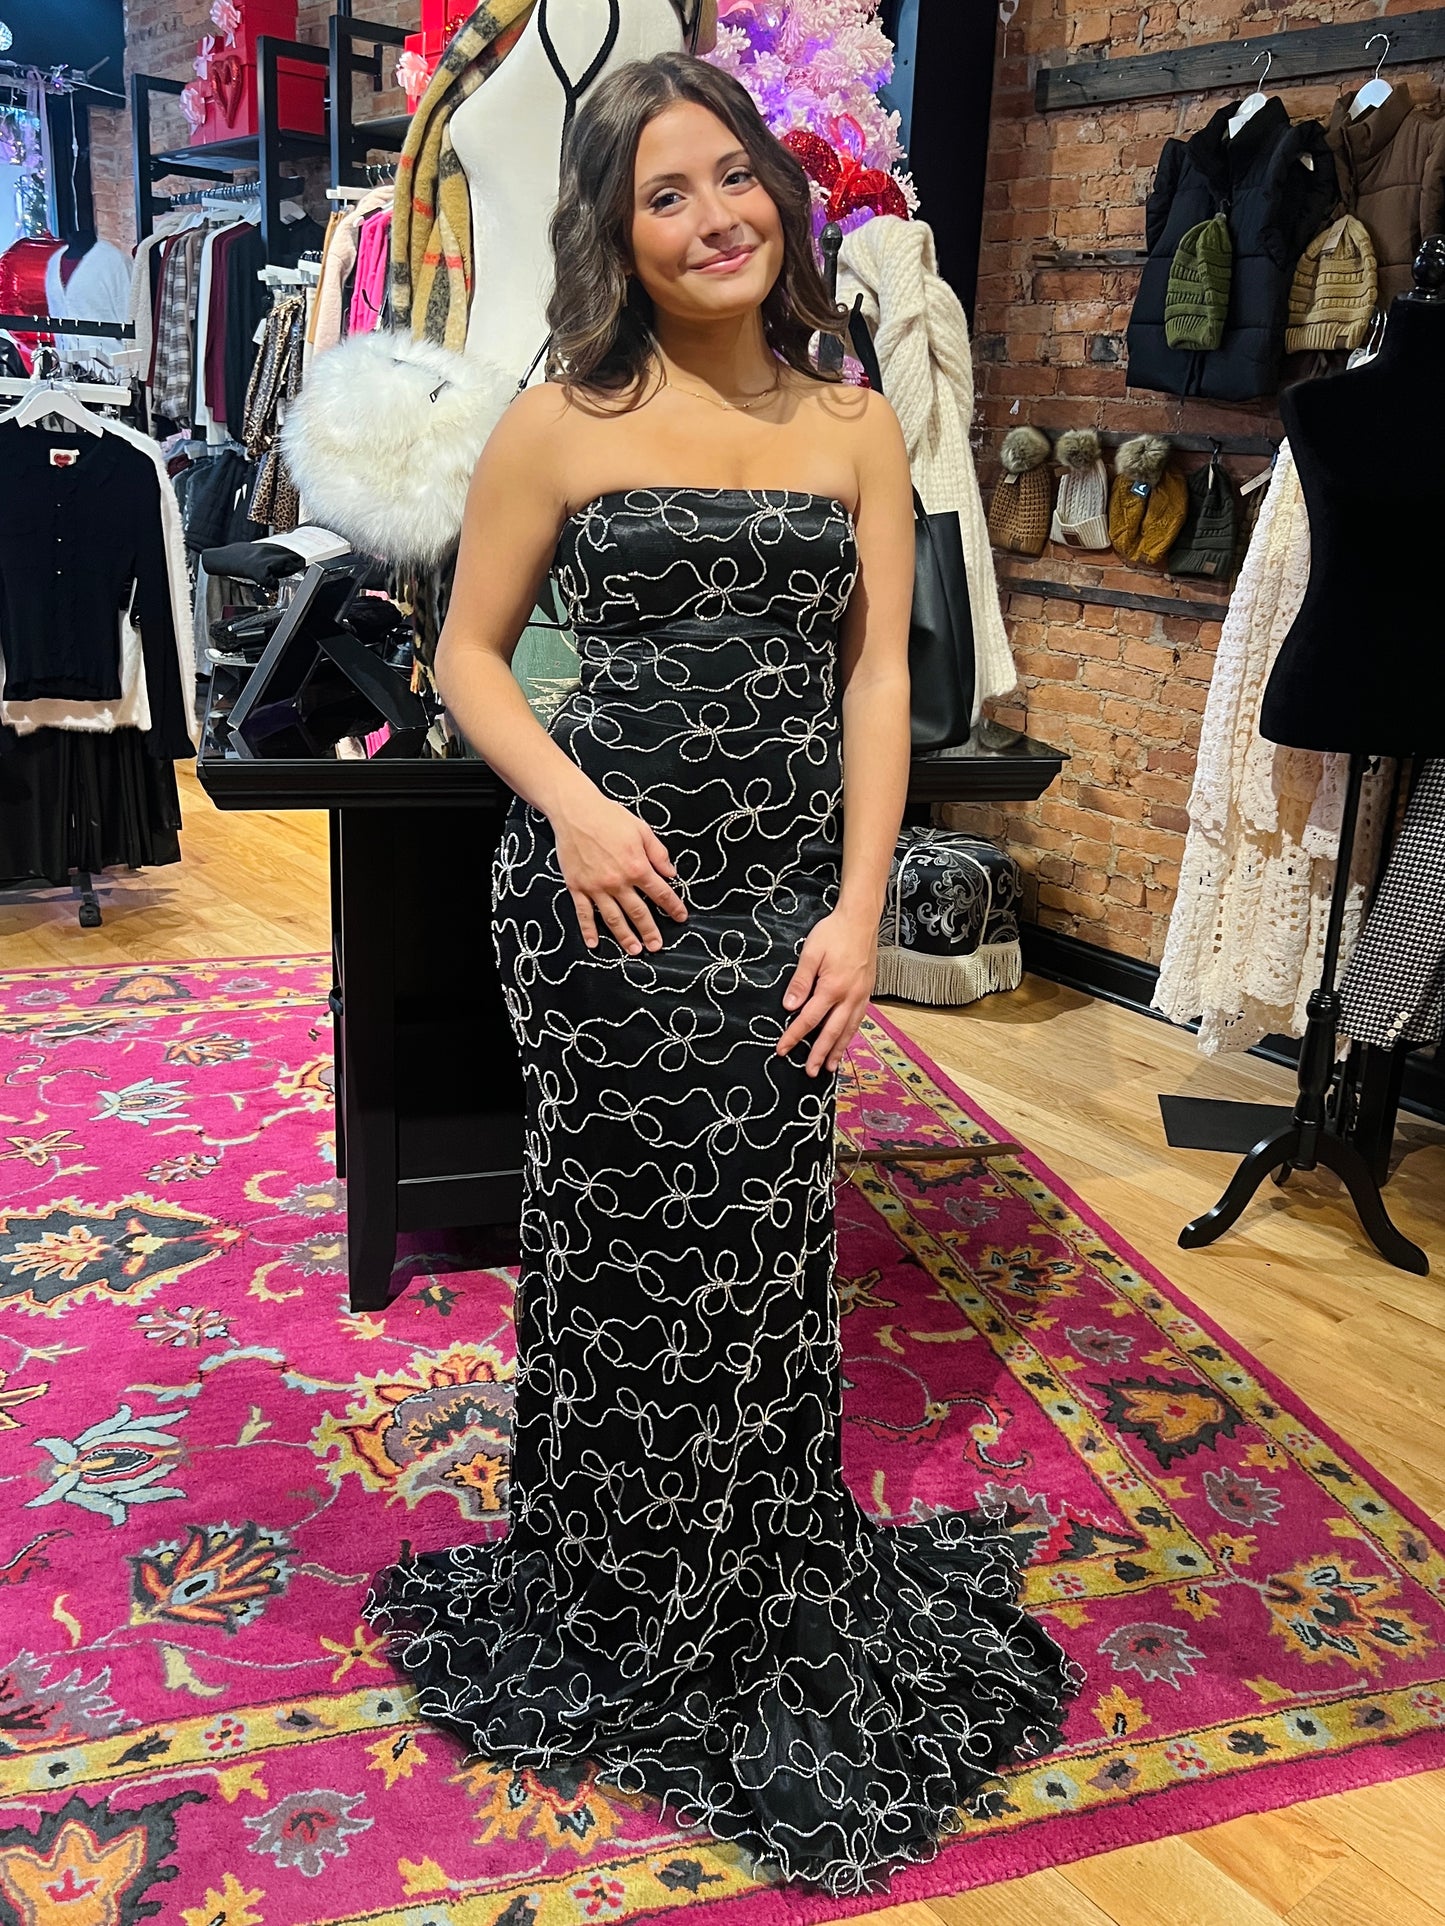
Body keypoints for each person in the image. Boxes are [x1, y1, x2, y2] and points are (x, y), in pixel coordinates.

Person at [361, 50, 1078, 1895]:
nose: (708, 219)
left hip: (783, 911)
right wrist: (579, 814)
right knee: (622, 1235)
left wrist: (859, 912)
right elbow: (470, 656)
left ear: (782, 190)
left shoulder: (852, 427)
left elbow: (875, 686)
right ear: (614, 230)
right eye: (660, 195)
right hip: (605, 908)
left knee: (759, 1241)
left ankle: (757, 1570)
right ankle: (608, 1589)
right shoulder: (563, 413)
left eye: (730, 178)